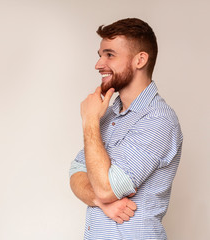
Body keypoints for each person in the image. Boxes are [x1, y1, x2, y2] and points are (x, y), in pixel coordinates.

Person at [69, 18, 183, 239]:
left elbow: (107, 188)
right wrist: (100, 202)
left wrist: (89, 121)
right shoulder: (108, 114)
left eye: (110, 55)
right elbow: (75, 174)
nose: (99, 64)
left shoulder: (159, 120)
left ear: (140, 60)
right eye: (100, 55)